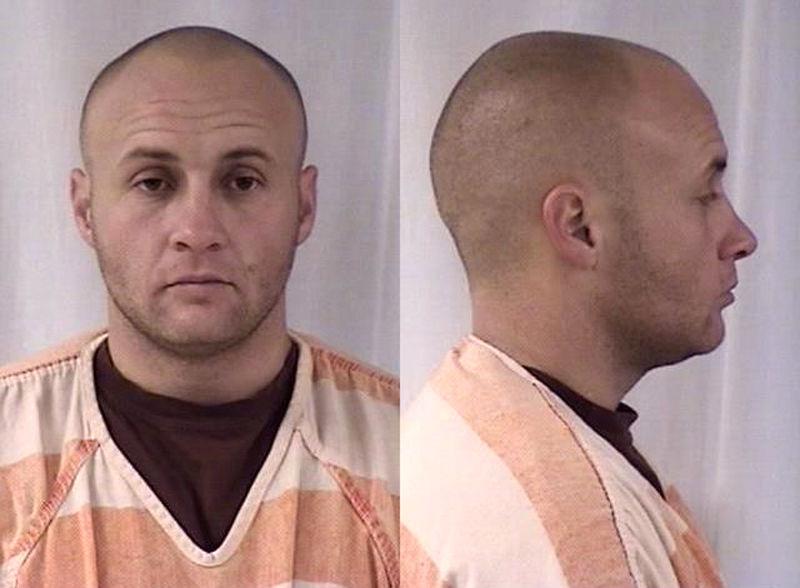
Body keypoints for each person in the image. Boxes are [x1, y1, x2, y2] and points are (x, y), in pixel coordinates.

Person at [0, 26, 398, 587]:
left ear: (304, 206)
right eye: (153, 183)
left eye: (242, 182)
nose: (197, 230)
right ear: (86, 210)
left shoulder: (415, 458)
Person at [401, 31, 756, 587]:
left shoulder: (454, 429)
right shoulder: (574, 541)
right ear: (579, 227)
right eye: (706, 195)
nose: (741, 238)